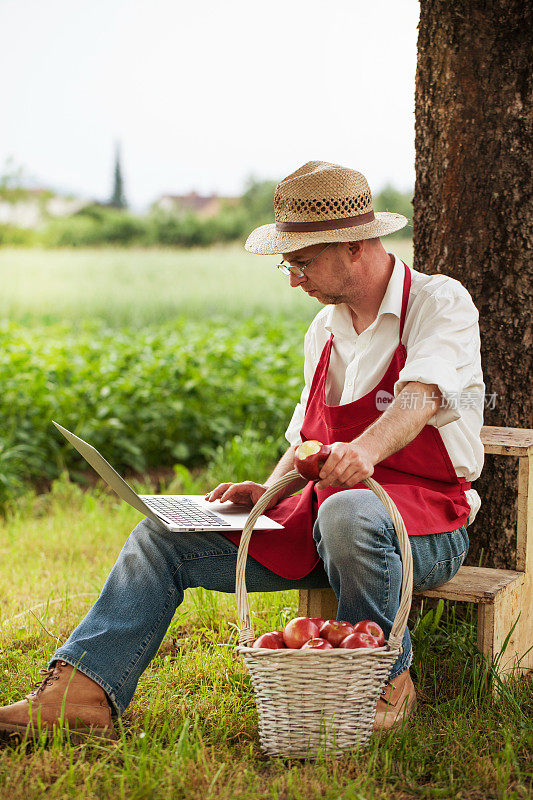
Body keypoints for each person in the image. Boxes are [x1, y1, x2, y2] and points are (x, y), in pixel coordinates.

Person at [0, 161, 484, 740]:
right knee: (162, 537)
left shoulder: (439, 303)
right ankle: (83, 696)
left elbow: (420, 397)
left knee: (347, 510)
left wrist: (362, 453)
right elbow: (303, 437)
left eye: (302, 262)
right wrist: (271, 493)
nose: (294, 279)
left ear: (355, 246)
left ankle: (384, 678)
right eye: (290, 263)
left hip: (425, 528)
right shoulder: (323, 333)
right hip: (323, 513)